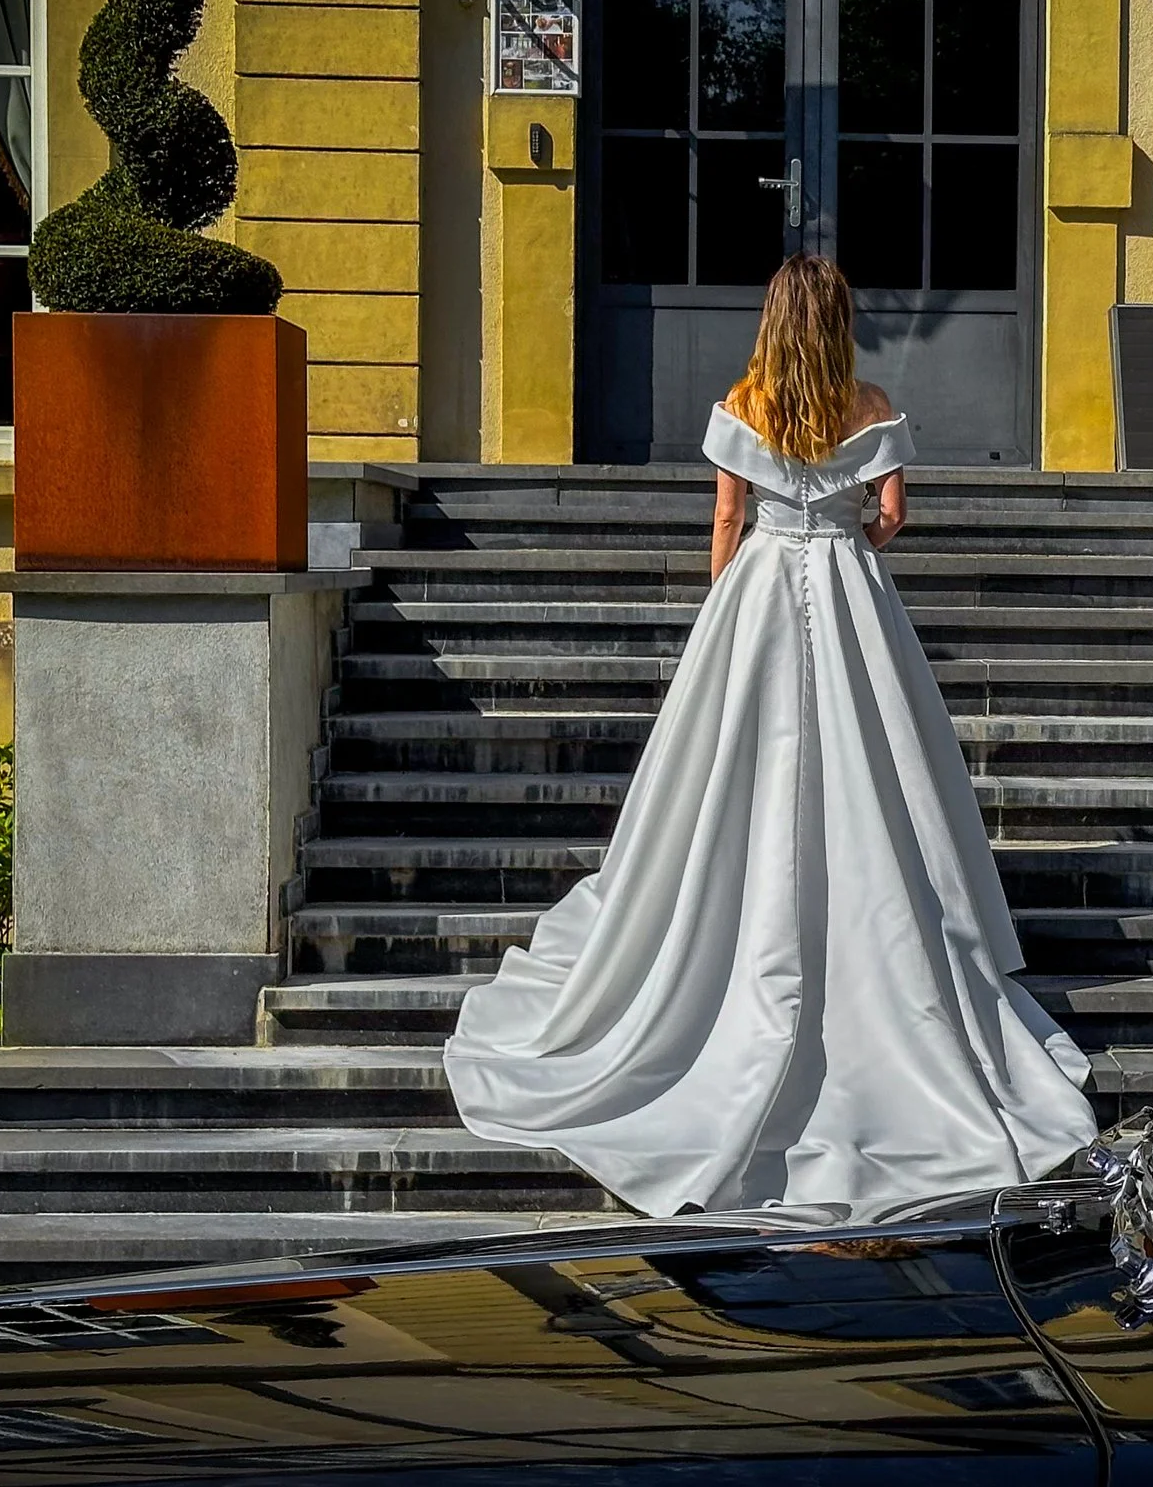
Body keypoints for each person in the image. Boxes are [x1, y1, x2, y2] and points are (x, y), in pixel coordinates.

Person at [444, 254, 1098, 1215]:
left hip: (759, 594)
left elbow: (727, 517)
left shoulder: (744, 401)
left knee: (734, 775)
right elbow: (893, 515)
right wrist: (848, 544)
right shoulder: (870, 401)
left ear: (774, 319)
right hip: (850, 591)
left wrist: (728, 604)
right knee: (879, 770)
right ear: (838, 321)